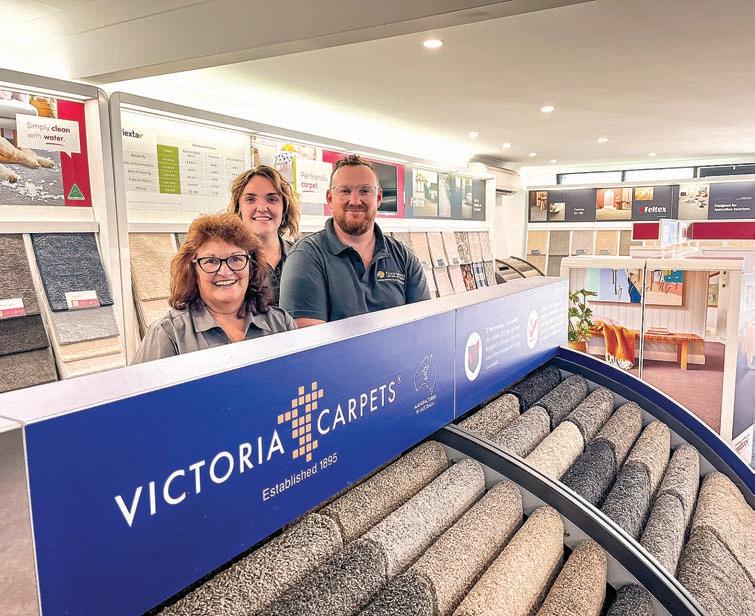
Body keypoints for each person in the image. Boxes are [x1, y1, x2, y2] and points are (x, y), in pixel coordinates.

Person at [279, 154, 429, 327]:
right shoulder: (306, 257)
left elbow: (423, 326)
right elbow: (310, 340)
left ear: (378, 198)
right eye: (345, 191)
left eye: (365, 191)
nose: (355, 201)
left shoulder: (404, 257)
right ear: (330, 198)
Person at [133, 213, 295, 363]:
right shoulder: (168, 334)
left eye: (236, 259)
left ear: (251, 266)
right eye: (211, 261)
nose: (225, 272)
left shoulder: (281, 324)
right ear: (192, 270)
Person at [227, 165, 300, 305]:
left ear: (284, 207)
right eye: (250, 199)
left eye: (272, 199)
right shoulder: (227, 261)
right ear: (238, 207)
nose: (261, 208)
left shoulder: (303, 256)